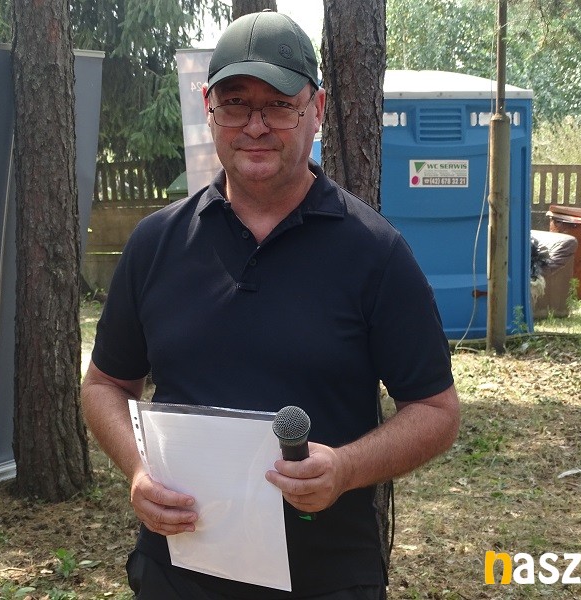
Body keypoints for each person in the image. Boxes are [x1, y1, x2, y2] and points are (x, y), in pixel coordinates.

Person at [81, 10, 460, 600]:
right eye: (235, 104)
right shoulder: (156, 244)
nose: (255, 127)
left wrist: (345, 469)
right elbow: (105, 384)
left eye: (280, 106)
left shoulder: (374, 253)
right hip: (179, 569)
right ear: (209, 107)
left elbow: (436, 411)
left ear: (317, 109)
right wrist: (137, 469)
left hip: (326, 575)